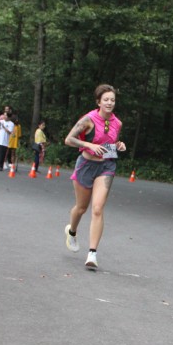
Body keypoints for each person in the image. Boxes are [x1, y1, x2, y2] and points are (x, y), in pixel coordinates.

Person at [63, 84, 127, 270]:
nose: (109, 103)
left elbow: (111, 141)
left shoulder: (117, 123)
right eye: (106, 100)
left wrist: (119, 144)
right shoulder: (88, 120)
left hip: (106, 166)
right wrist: (88, 145)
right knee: (81, 208)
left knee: (97, 209)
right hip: (86, 165)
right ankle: (72, 231)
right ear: (98, 102)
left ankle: (92, 254)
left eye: (112, 100)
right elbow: (69, 139)